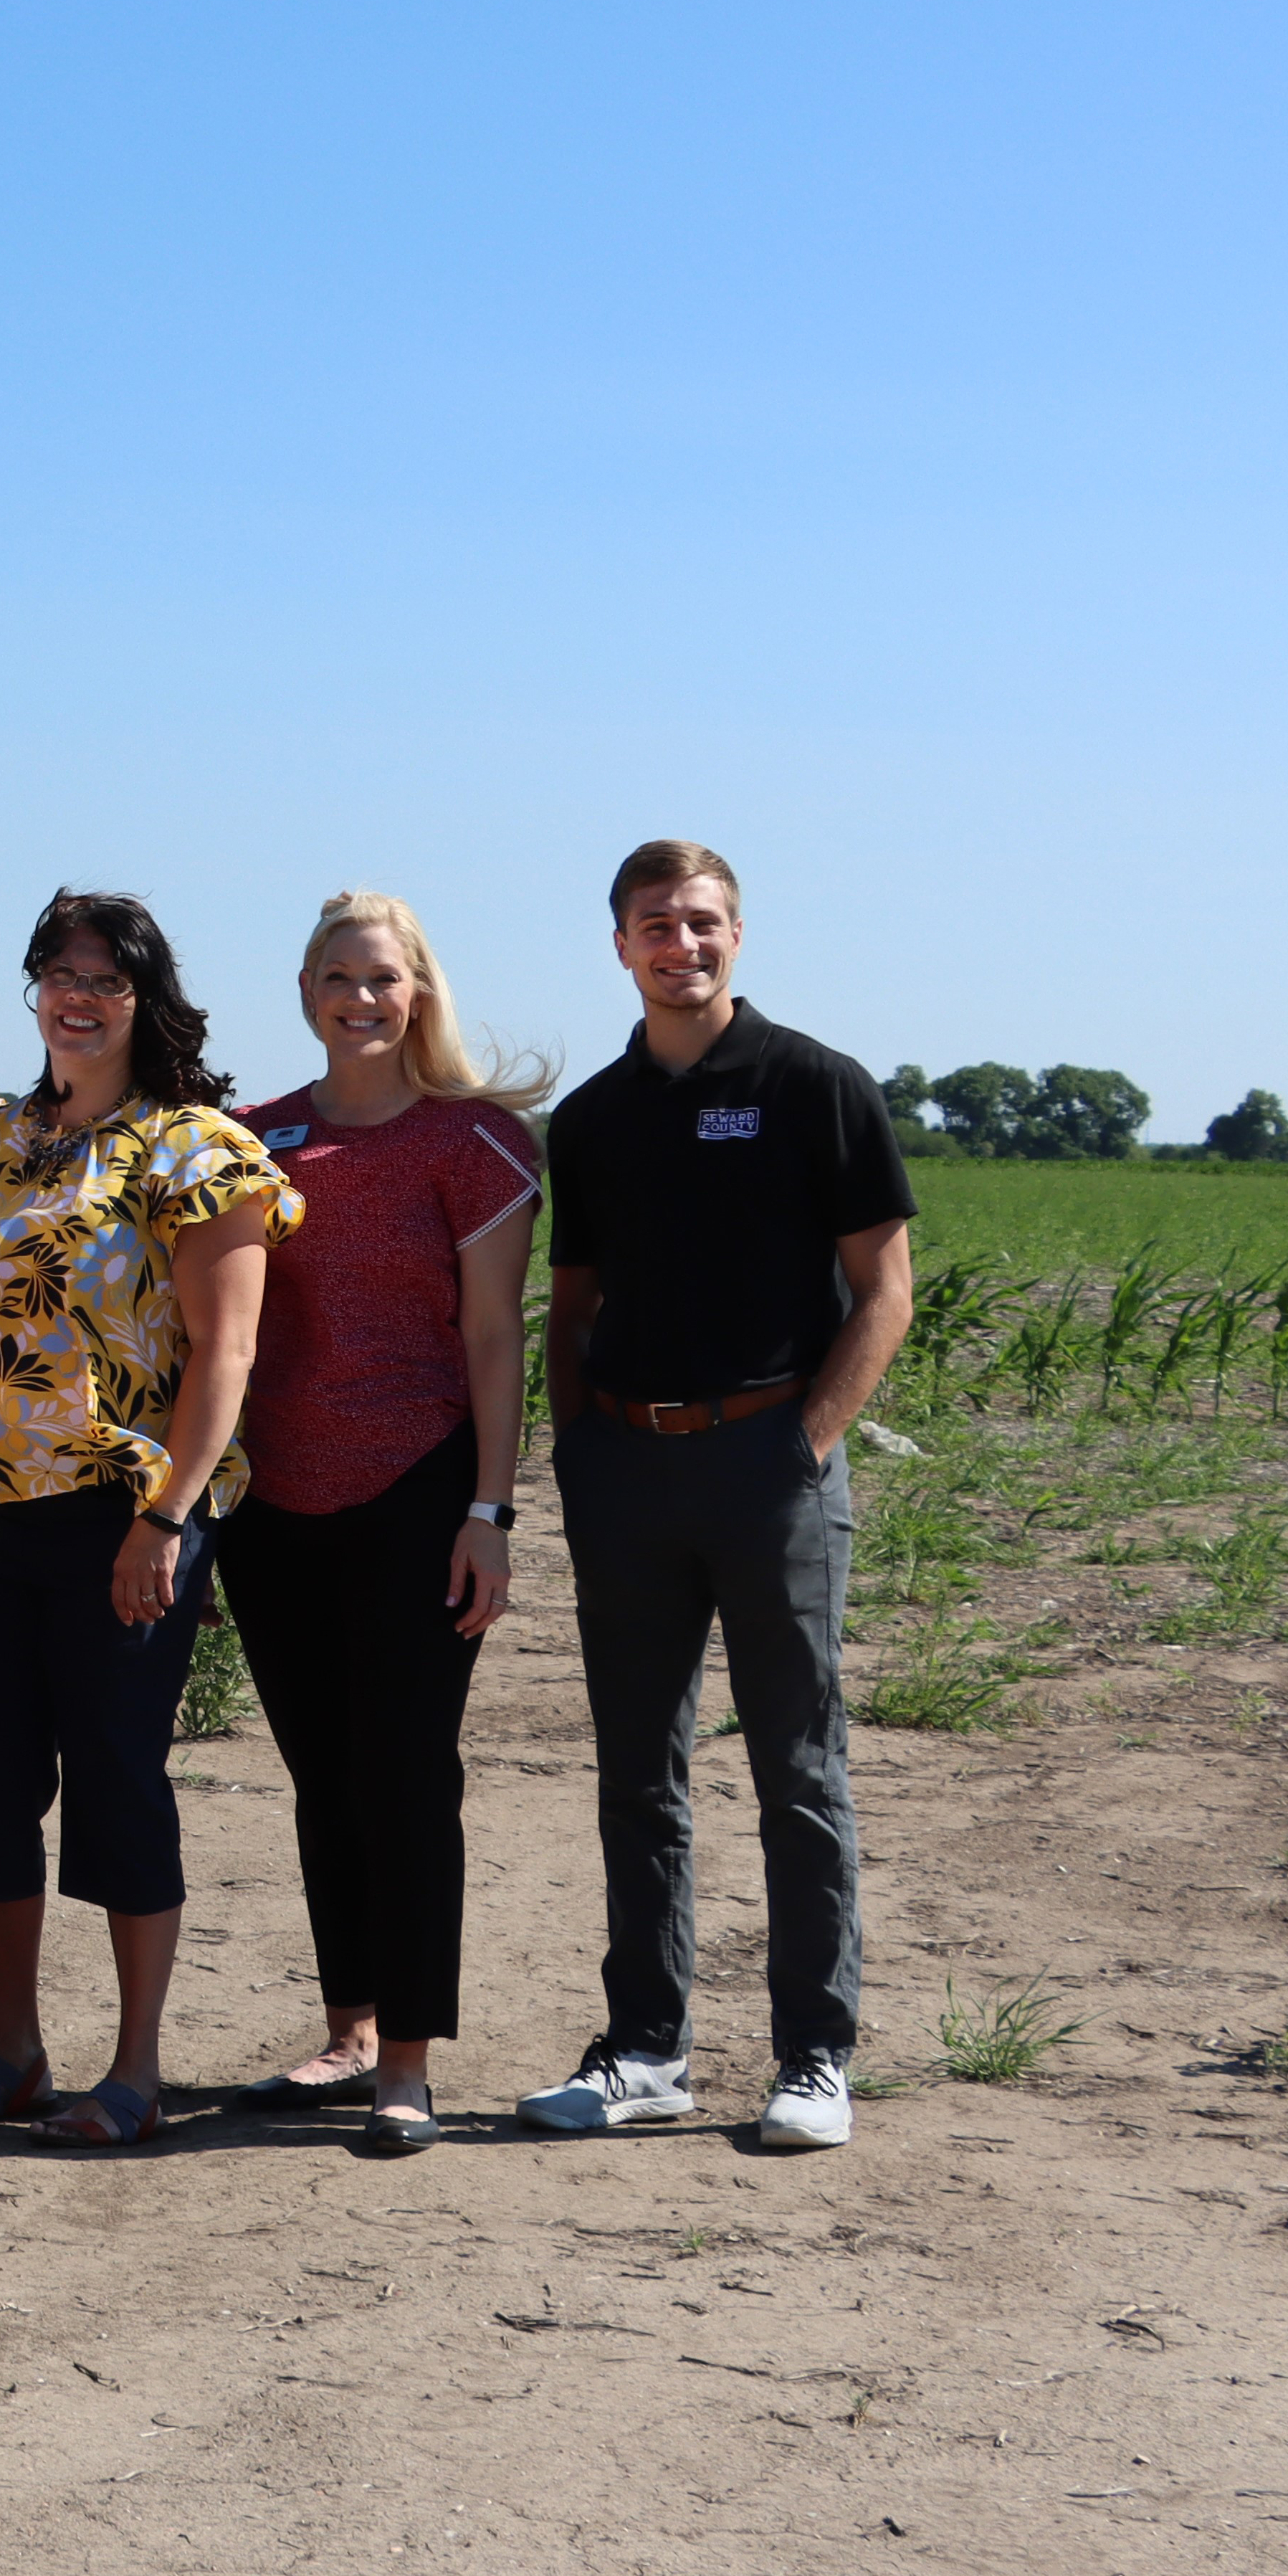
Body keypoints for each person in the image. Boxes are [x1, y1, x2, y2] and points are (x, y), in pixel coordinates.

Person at [517, 841, 915, 2155]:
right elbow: (572, 1307)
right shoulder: (596, 1116)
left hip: (770, 1465)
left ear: (738, 936)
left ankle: (816, 2057)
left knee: (798, 1769)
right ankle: (646, 2050)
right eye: (653, 926)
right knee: (640, 1776)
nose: (678, 945)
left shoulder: (818, 1089)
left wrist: (803, 1447)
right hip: (630, 1468)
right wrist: (581, 1447)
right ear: (619, 946)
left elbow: (884, 1295)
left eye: (700, 924)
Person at [0, 890, 291, 2154]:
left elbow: (223, 1357)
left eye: (105, 979)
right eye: (57, 975)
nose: (78, 997)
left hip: (128, 1520)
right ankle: (13, 2048)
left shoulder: (196, 1149)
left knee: (118, 1780)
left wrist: (168, 1516)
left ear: (147, 999)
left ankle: (136, 2068)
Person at [213, 893, 545, 2159]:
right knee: (321, 1772)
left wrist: (490, 1511)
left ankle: (407, 2060)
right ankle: (346, 2030)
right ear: (306, 991)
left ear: (419, 993)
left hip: (420, 1489)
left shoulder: (477, 1142)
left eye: (386, 977)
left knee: (406, 1775)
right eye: (340, 976)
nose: (363, 997)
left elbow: (493, 1335)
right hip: (272, 1499)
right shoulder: (254, 1140)